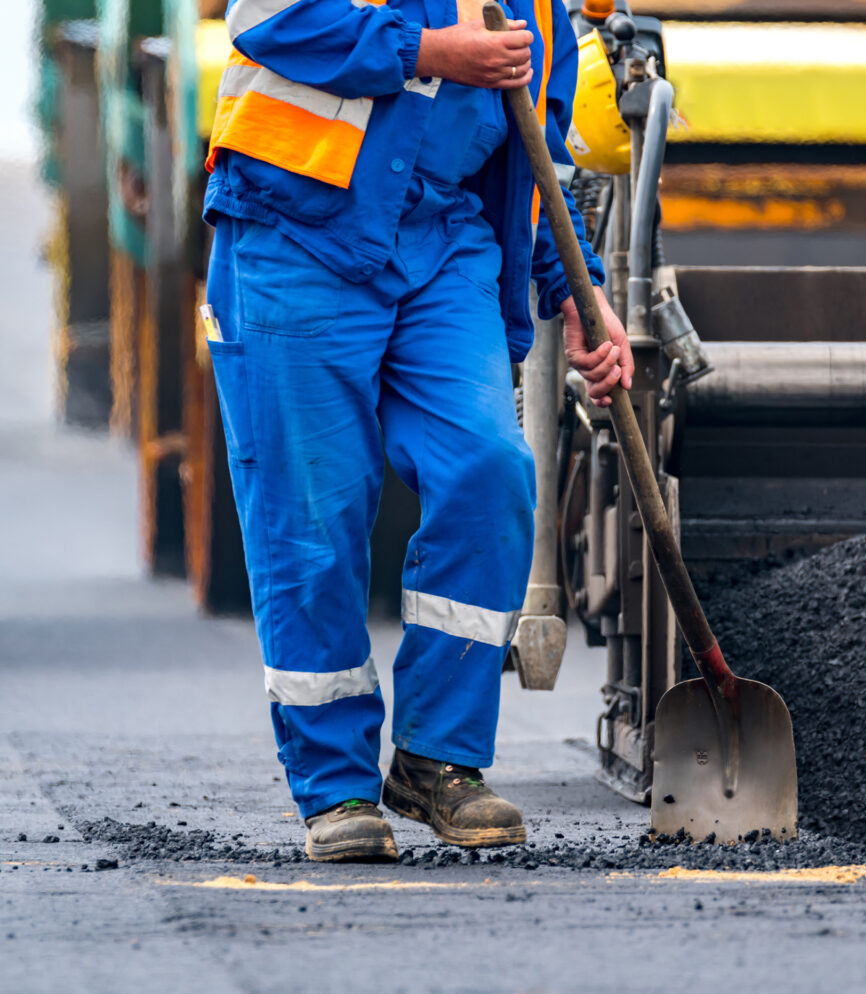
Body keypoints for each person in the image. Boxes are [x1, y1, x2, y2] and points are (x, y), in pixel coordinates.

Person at [203, 0, 633, 862]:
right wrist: (429, 52)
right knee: (315, 518)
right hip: (296, 233)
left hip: (441, 245)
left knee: (489, 469)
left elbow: (533, 144)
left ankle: (438, 758)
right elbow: (263, 17)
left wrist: (573, 293)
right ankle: (335, 788)